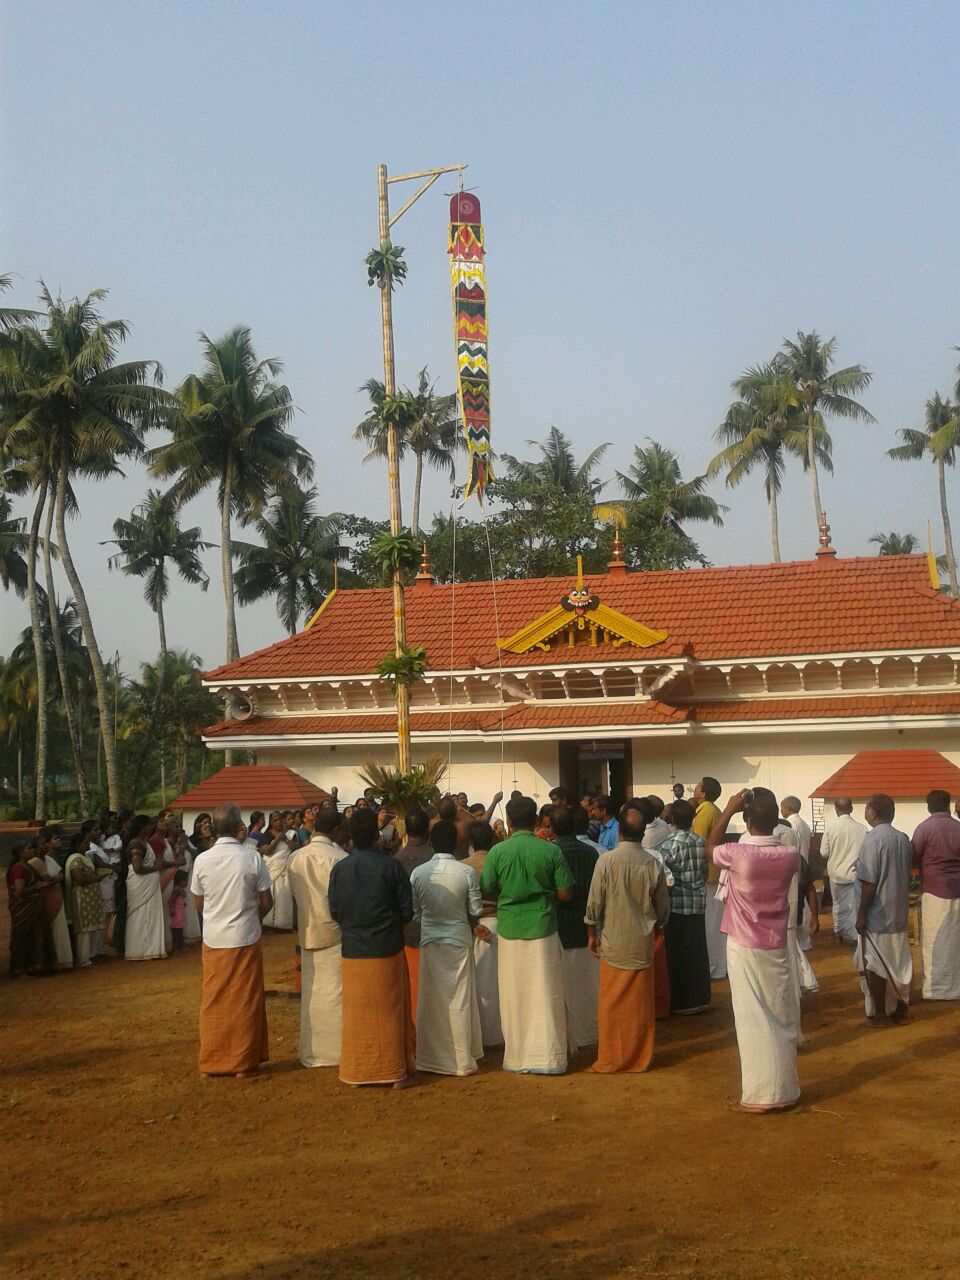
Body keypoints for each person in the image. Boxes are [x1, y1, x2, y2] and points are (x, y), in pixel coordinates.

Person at [707, 790, 800, 1112]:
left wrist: (729, 808)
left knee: (751, 1019)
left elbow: (710, 845)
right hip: (775, 942)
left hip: (744, 943)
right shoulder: (790, 854)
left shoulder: (737, 853)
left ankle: (762, 1095)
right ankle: (784, 1090)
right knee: (779, 1013)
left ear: (747, 821)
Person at [481, 795, 574, 1074]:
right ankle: (550, 1057)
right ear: (536, 821)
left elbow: (487, 888)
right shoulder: (551, 851)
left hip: (509, 930)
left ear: (508, 821)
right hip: (543, 926)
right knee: (547, 992)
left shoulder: (497, 852)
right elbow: (566, 893)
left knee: (514, 994)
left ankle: (518, 1056)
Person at [328, 808, 416, 1088]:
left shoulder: (340, 869)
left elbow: (334, 909)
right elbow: (407, 910)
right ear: (377, 835)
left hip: (354, 949)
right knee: (390, 1011)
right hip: (387, 947)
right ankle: (394, 1072)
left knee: (357, 1014)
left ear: (352, 837)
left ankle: (357, 1072)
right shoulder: (391, 867)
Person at [585, 806, 670, 1073]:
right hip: (642, 942)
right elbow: (663, 907)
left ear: (619, 831)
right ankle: (639, 1058)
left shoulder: (606, 861)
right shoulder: (652, 863)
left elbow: (594, 904)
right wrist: (658, 927)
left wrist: (591, 933)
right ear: (642, 833)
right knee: (640, 1006)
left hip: (613, 941)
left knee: (611, 1005)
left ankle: (611, 1058)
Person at [191, 804, 273, 1077]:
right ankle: (242, 1062)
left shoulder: (202, 859)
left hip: (214, 938)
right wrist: (253, 917)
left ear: (214, 829)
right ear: (240, 827)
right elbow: (266, 901)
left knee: (214, 999)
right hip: (246, 935)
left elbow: (199, 904)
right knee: (245, 999)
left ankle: (212, 1061)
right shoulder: (252, 858)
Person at [411, 820, 485, 1076]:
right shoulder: (465, 873)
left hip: (431, 941)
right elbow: (475, 910)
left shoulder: (419, 873)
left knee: (432, 1000)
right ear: (456, 843)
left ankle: (430, 1058)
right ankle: (461, 1060)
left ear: (431, 842)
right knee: (460, 999)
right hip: (458, 940)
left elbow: (416, 913)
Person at [288, 806, 347, 1068]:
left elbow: (294, 895)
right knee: (335, 991)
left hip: (307, 928)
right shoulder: (340, 857)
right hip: (335, 930)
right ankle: (336, 1051)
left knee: (311, 993)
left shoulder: (296, 858)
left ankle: (312, 1052)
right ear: (335, 829)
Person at [855, 794, 913, 1025]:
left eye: (867, 808)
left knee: (876, 964)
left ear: (872, 813)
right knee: (898, 963)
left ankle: (879, 1014)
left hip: (877, 914)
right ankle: (900, 1008)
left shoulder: (872, 841)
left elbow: (870, 882)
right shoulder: (903, 838)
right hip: (898, 912)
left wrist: (861, 915)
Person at [552, 805, 600, 1052]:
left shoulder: (551, 853)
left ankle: (568, 1037)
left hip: (558, 929)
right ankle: (589, 1034)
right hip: (586, 928)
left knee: (562, 989)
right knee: (587, 988)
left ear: (551, 827)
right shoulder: (590, 853)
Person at [660, 798, 711, 1014]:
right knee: (698, 951)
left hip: (677, 904)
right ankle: (701, 998)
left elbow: (664, 878)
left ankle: (681, 1002)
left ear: (671, 819)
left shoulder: (668, 845)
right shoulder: (701, 842)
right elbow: (705, 871)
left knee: (678, 954)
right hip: (698, 903)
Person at [913, 789, 960, 1000]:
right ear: (948, 805)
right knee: (955, 940)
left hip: (934, 890)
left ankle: (935, 989)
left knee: (934, 940)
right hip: (957, 890)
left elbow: (913, 857)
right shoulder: (957, 828)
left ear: (929, 806)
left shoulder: (924, 828)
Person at [464, 819, 503, 1047]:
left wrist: (471, 925)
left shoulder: (464, 865)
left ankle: (482, 1036)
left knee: (480, 986)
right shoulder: (500, 861)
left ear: (470, 841)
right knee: (501, 984)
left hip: (476, 927)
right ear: (493, 839)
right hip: (501, 924)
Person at [820, 798, 867, 944]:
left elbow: (824, 852)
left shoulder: (831, 828)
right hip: (855, 873)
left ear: (836, 810)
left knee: (838, 904)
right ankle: (855, 935)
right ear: (851, 809)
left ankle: (839, 934)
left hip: (836, 873)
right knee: (855, 905)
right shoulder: (862, 828)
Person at [693, 777, 725, 979]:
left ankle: (714, 967)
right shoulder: (711, 810)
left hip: (709, 874)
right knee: (714, 922)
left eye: (697, 785)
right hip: (714, 872)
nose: (694, 787)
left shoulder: (706, 812)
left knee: (711, 924)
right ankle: (718, 965)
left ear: (703, 793)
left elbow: (698, 843)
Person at [7, 844, 54, 977]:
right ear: (20, 853)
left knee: (33, 936)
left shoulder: (28, 866)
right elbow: (19, 890)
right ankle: (19, 970)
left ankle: (31, 967)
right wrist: (37, 886)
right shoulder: (19, 868)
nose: (32, 850)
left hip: (33, 907)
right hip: (24, 907)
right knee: (22, 938)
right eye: (28, 849)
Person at [29, 837, 72, 970]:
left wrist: (54, 880)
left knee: (59, 929)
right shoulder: (33, 862)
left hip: (55, 897)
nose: (46, 846)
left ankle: (62, 960)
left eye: (46, 843)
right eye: (42, 844)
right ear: (36, 848)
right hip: (43, 900)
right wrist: (52, 881)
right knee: (44, 932)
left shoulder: (49, 859)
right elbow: (46, 879)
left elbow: (60, 875)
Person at [124, 833, 168, 961]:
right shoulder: (136, 844)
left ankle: (152, 949)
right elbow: (137, 868)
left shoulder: (146, 843)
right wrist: (155, 868)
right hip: (140, 884)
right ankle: (137, 950)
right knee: (138, 914)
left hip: (150, 884)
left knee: (151, 915)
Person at [64, 835, 107, 968]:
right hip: (81, 897)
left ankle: (89, 954)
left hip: (90, 897)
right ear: (77, 845)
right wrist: (96, 879)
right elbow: (78, 879)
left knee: (90, 927)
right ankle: (83, 959)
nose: (88, 844)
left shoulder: (86, 857)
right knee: (83, 928)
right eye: (85, 842)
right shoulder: (75, 859)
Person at [259, 816, 296, 931]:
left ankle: (283, 923)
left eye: (280, 819)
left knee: (284, 896)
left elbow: (295, 848)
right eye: (275, 820)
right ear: (271, 822)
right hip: (272, 870)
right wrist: (277, 839)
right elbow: (267, 851)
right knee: (272, 894)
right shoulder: (266, 835)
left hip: (285, 870)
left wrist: (284, 839)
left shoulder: (290, 834)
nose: (279, 822)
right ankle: (268, 923)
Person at [169, 870, 188, 953]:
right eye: (186, 880)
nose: (187, 882)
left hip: (180, 911)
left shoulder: (179, 889)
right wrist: (172, 909)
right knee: (176, 931)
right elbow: (171, 900)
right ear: (181, 881)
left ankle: (179, 946)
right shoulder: (177, 890)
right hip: (177, 912)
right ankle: (176, 947)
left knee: (179, 929)